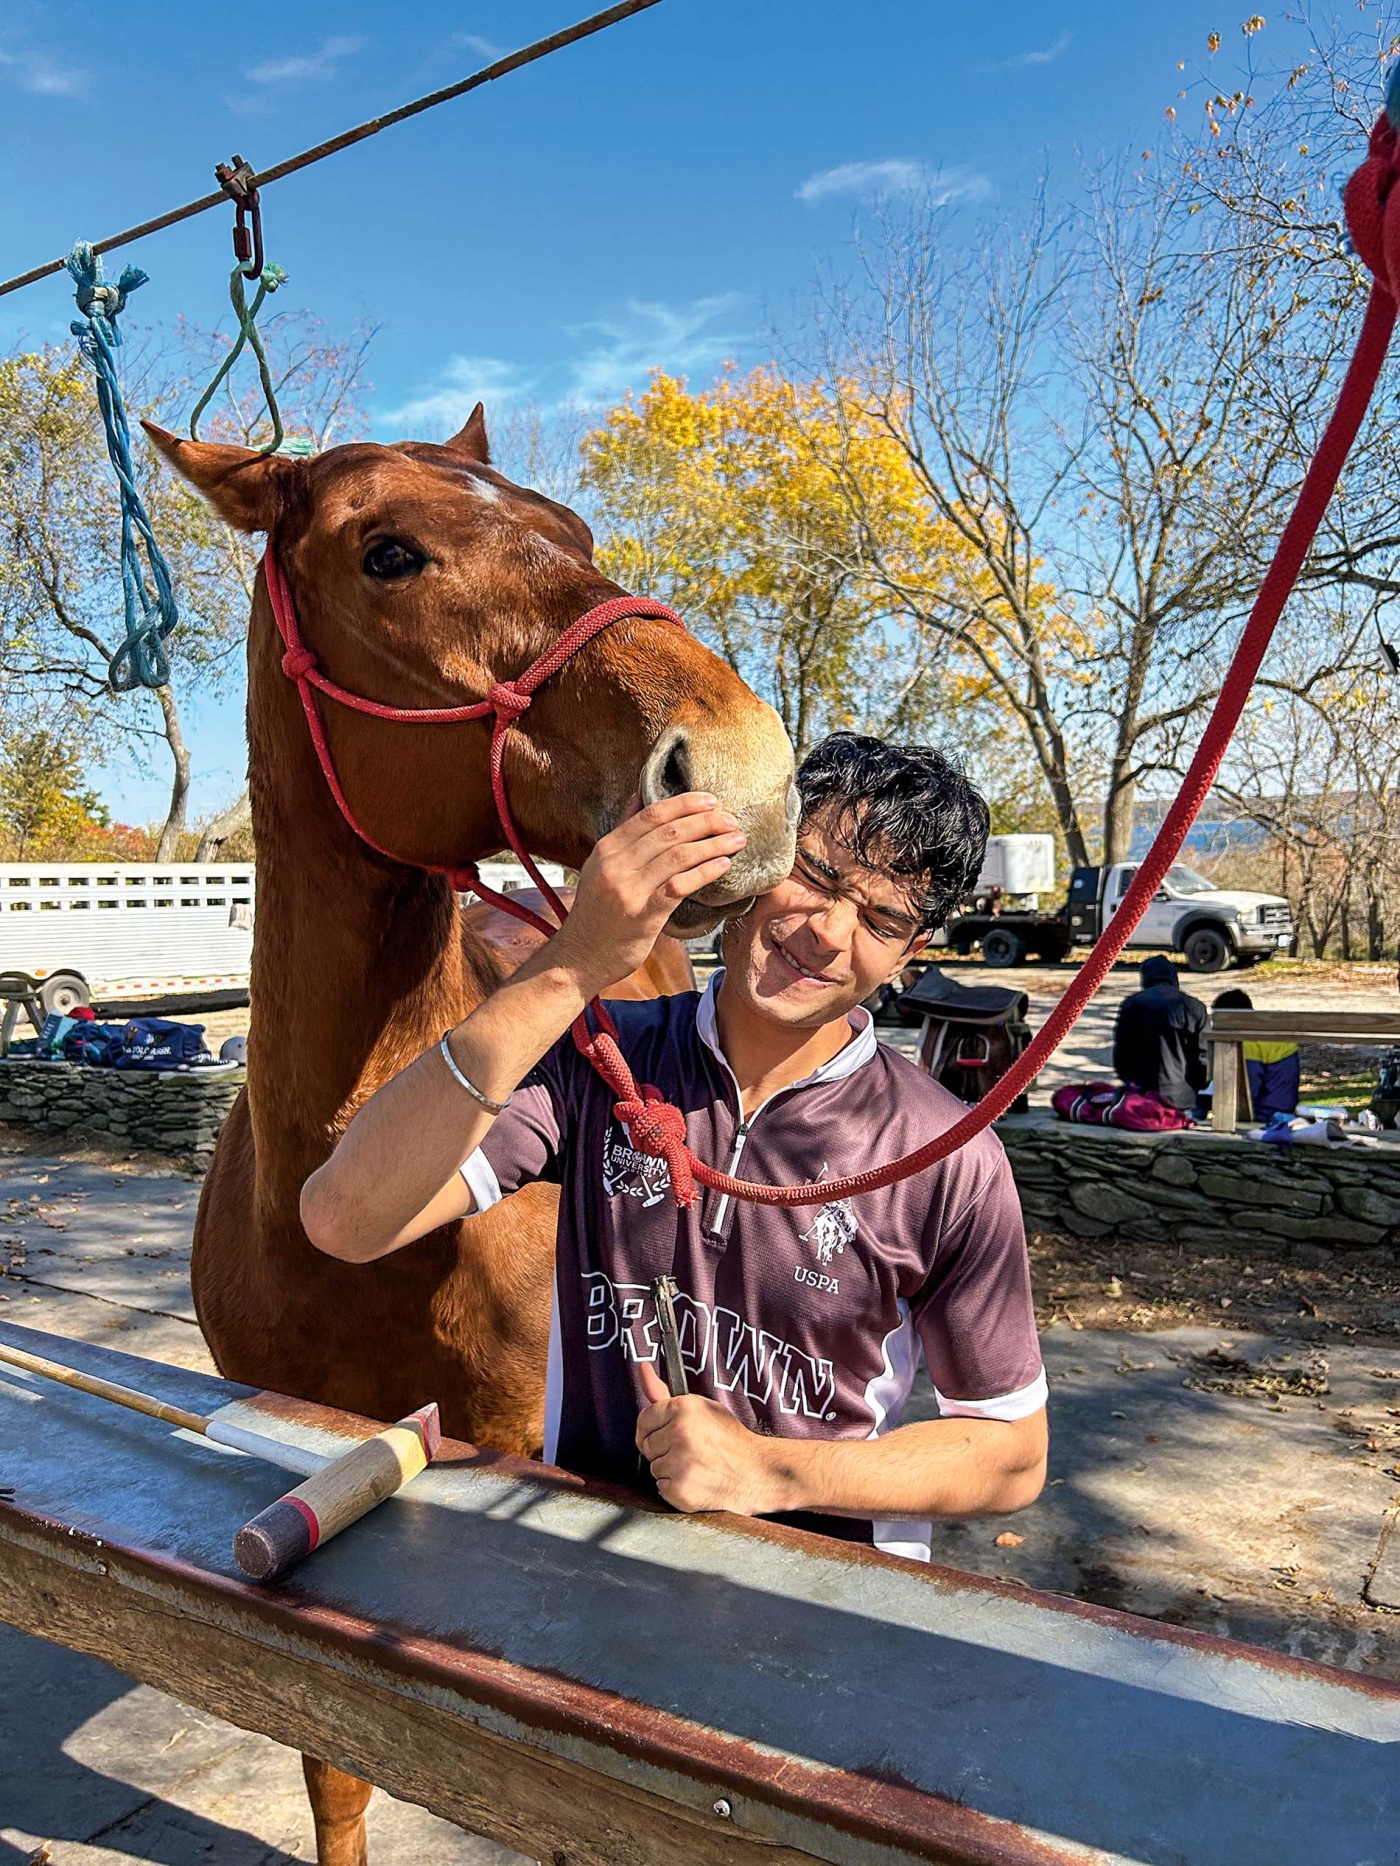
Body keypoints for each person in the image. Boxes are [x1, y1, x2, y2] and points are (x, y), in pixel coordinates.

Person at [301, 734, 1047, 1560]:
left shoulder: (944, 1152)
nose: (828, 932)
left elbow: (1010, 1455)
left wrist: (772, 1473)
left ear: (912, 954)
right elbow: (344, 1219)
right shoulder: (599, 1062)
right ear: (754, 859)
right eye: (815, 876)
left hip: (832, 1602)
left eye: (881, 920)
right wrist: (571, 965)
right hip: (593, 1567)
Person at [1111, 954, 1208, 1114]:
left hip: (1140, 1093)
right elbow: (1202, 1055)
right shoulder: (1195, 1006)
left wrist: (1129, 1081)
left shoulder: (1131, 1005)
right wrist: (1196, 1086)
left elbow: (1122, 1052)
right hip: (1181, 1096)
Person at [1211, 986, 1300, 1123]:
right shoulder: (1276, 1036)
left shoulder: (1248, 1043)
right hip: (1285, 1106)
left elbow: (1249, 1086)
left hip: (1261, 1113)